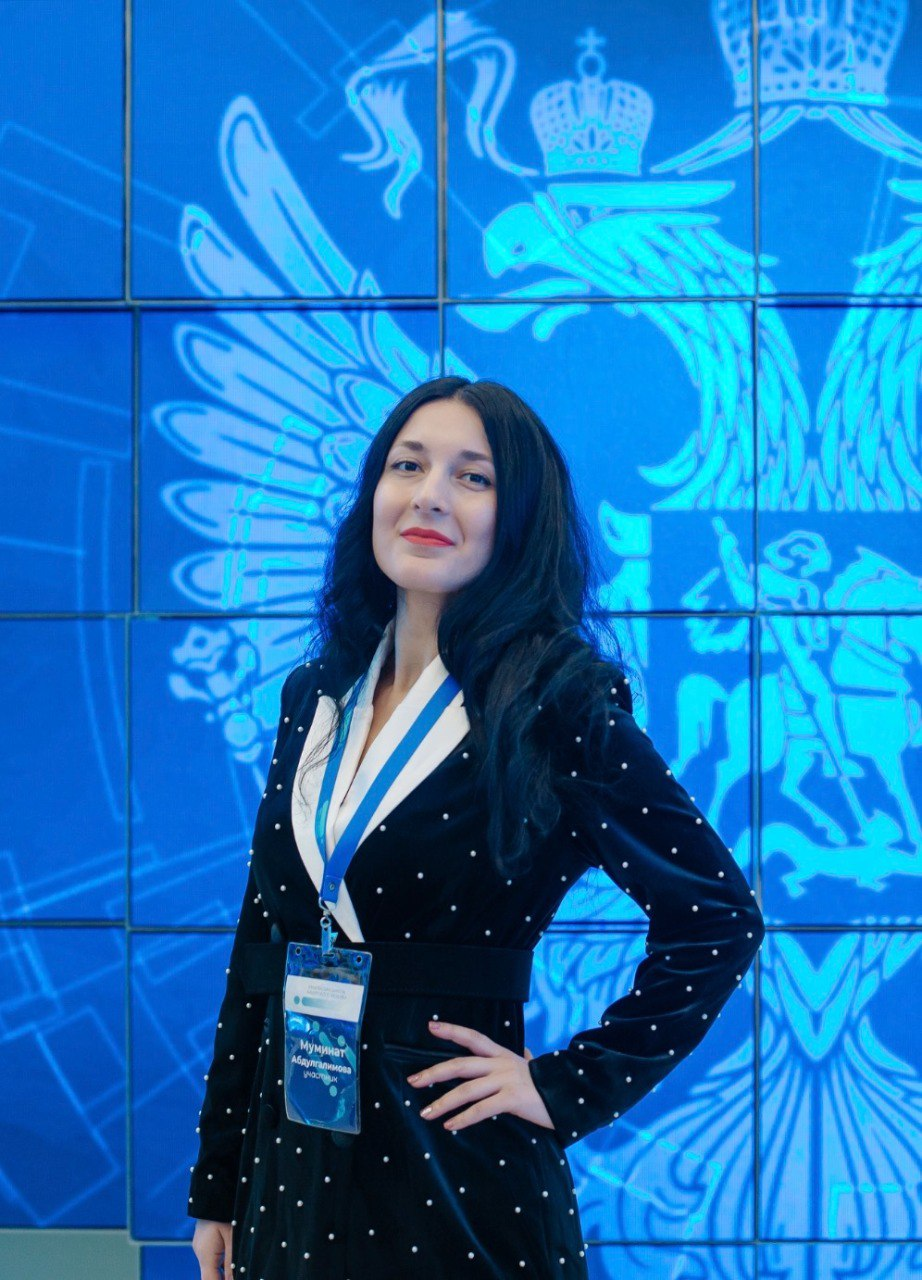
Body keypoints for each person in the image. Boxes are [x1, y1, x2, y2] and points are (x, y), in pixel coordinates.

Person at [188, 376, 765, 1278]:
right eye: (408, 466)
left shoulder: (559, 701)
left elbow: (719, 916)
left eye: (473, 477)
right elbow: (261, 941)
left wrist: (566, 1085)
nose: (429, 496)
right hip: (292, 1165)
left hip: (454, 1174)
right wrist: (220, 1182)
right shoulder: (317, 695)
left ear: (520, 517)